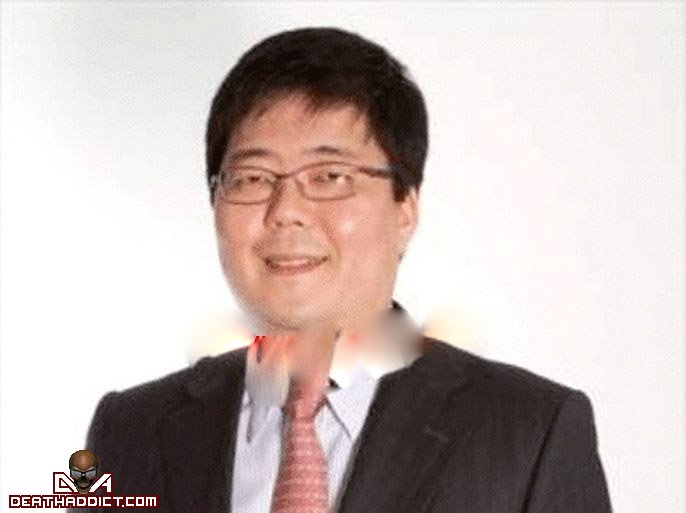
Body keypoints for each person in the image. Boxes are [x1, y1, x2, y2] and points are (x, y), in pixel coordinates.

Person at [79, 27, 612, 512]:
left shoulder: (528, 434)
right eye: (253, 178)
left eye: (329, 176)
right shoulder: (129, 431)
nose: (286, 210)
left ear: (405, 208)